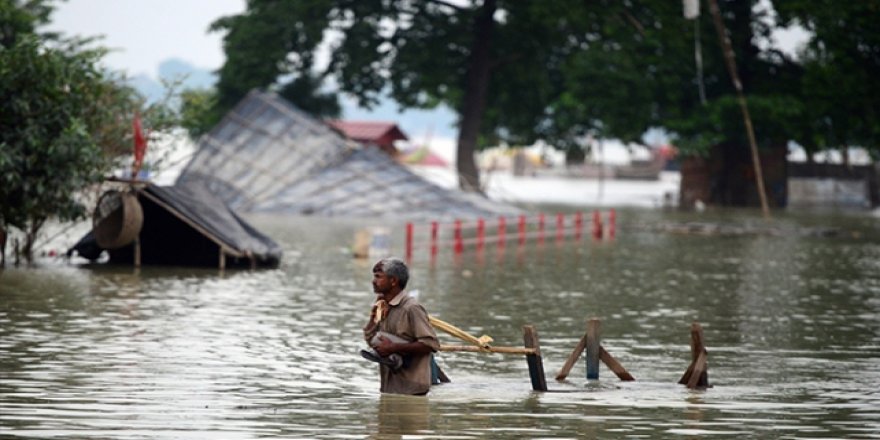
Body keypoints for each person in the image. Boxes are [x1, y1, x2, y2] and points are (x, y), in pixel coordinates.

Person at [361, 257, 439, 395]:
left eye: (379, 277)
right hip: (390, 387)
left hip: (412, 389)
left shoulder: (411, 308)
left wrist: (393, 347)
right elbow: (370, 340)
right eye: (374, 276)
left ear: (393, 281)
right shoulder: (383, 307)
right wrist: (373, 317)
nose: (374, 281)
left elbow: (431, 344)